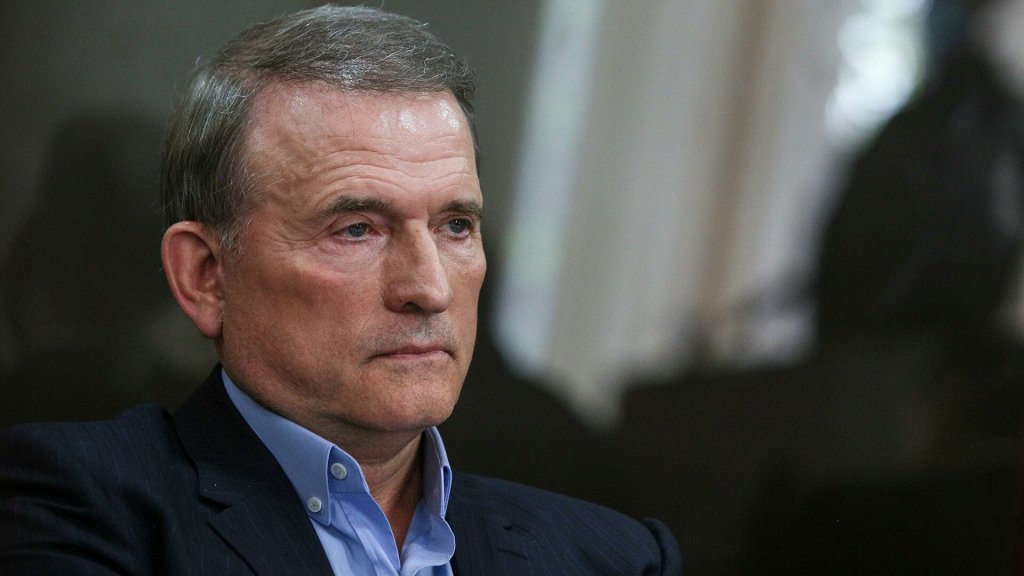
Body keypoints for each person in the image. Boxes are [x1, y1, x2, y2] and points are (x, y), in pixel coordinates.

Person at [0, 6, 681, 575]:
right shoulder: (72, 504)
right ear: (206, 275)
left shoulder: (616, 559)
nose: (428, 287)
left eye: (455, 225)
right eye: (357, 229)